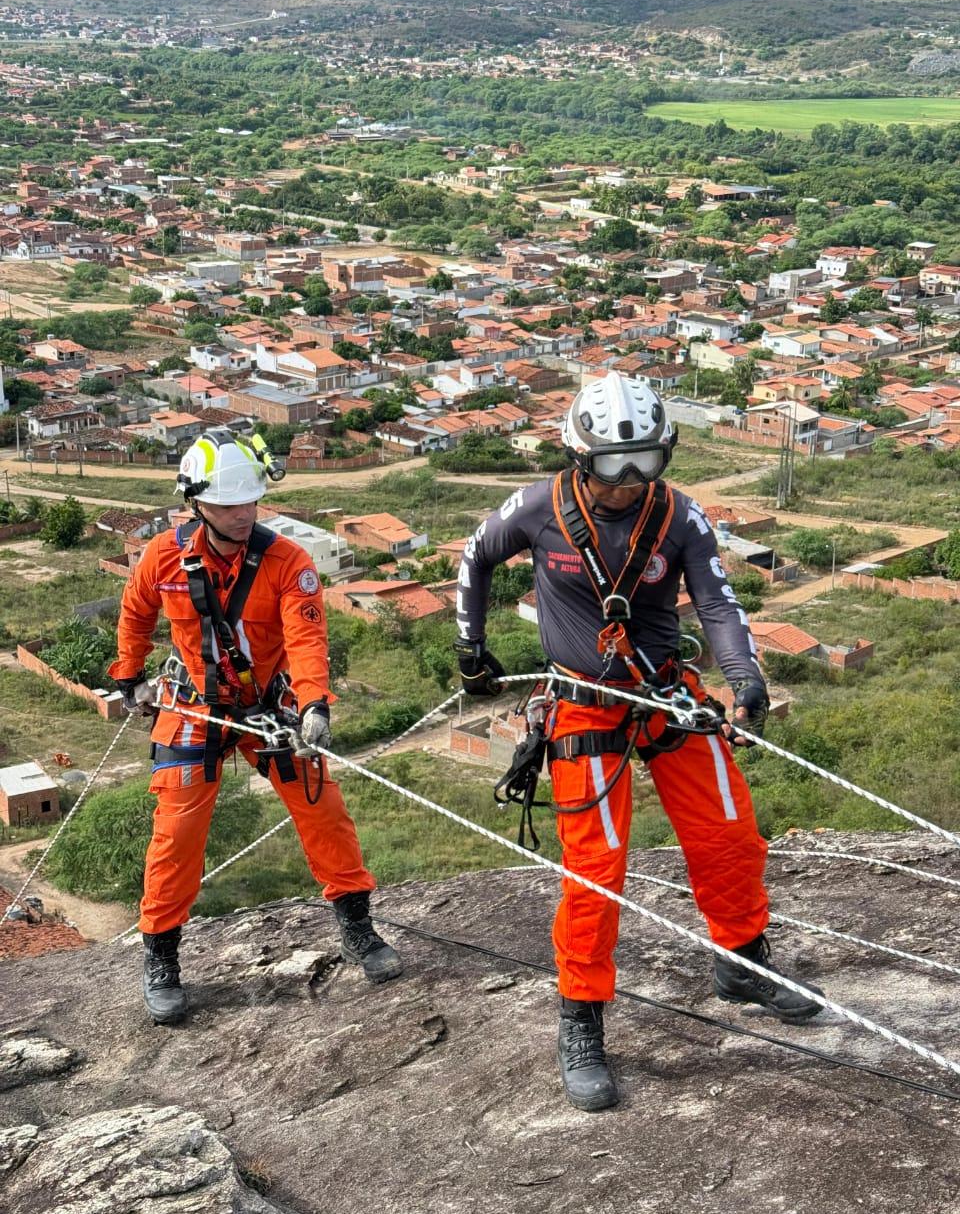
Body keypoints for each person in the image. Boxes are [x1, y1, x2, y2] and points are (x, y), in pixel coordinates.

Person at [455, 372, 822, 1112]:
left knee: (728, 834)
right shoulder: (538, 507)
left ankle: (742, 962)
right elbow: (476, 556)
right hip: (583, 706)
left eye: (644, 464)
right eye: (611, 466)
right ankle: (581, 1016)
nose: (626, 482)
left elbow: (717, 601)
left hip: (665, 695)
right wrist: (471, 646)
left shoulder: (679, 516)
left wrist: (744, 677)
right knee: (596, 867)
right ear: (577, 456)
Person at [109, 432, 401, 1024]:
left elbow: (306, 639)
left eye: (250, 501)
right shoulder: (163, 558)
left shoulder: (287, 563)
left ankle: (357, 928)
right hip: (196, 704)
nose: (243, 513)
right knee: (177, 830)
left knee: (323, 810)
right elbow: (136, 612)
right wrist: (129, 675)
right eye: (228, 504)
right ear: (197, 502)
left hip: (270, 704)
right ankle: (161, 956)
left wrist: (314, 706)